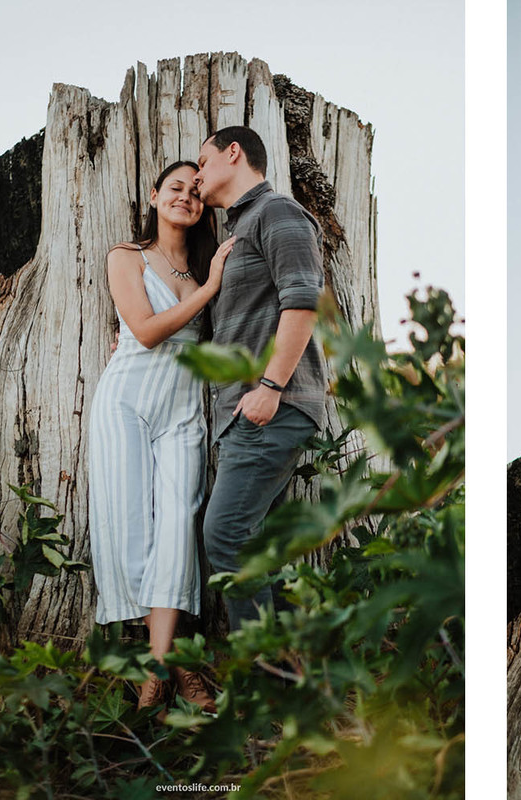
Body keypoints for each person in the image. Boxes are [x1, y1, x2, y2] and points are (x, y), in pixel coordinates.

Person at [88, 160, 236, 718]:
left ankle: (163, 664)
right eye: (176, 188)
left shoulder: (201, 271)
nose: (186, 198)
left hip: (181, 410)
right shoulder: (127, 257)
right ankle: (172, 668)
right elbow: (146, 332)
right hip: (126, 401)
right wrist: (211, 289)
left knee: (178, 527)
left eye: (197, 193)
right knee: (130, 527)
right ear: (154, 196)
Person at [191, 126, 327, 630]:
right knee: (254, 545)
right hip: (246, 411)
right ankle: (292, 680)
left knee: (224, 535)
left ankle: (263, 679)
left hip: (270, 406)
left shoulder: (278, 212)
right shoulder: (238, 229)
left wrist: (270, 388)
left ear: (234, 153)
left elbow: (303, 300)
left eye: (202, 161)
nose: (198, 174)